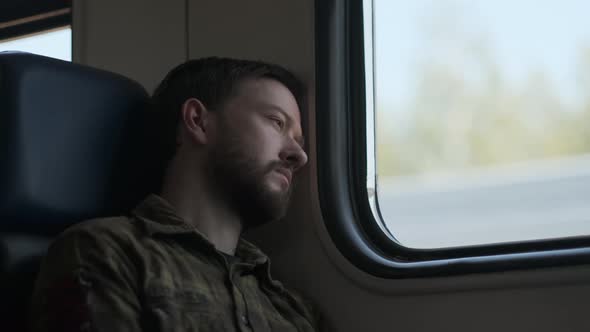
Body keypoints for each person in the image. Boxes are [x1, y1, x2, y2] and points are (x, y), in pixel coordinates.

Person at [30, 57, 319, 331]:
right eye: (277, 122)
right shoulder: (109, 252)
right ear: (198, 120)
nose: (300, 156)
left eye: (299, 141)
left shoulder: (288, 305)